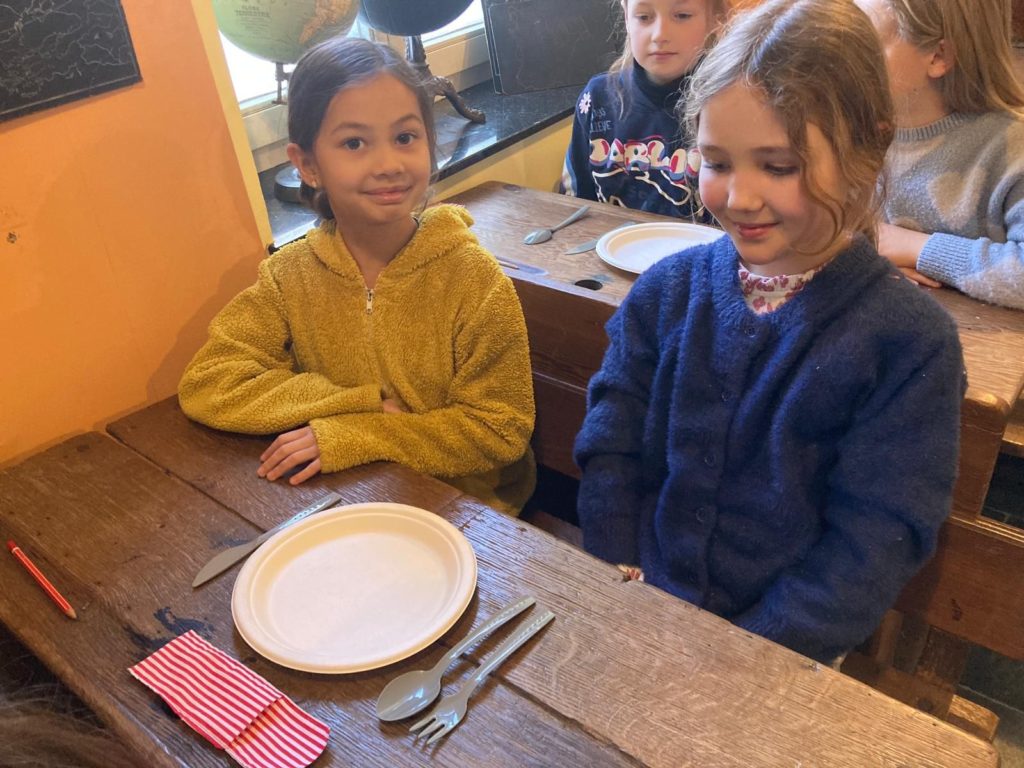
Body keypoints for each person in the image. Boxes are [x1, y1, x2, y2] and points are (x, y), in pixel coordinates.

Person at [574, 0, 966, 664]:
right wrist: (615, 566)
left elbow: (873, 542)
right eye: (716, 162)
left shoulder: (908, 343)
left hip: (780, 655)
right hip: (637, 607)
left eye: (779, 166)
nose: (740, 197)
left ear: (867, 150)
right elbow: (611, 438)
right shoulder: (665, 292)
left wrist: (741, 654)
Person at [178, 38, 535, 515]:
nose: (388, 165)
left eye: (405, 137)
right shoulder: (290, 276)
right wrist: (355, 403)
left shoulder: (475, 280)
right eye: (354, 143)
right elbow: (208, 381)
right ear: (308, 166)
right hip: (349, 496)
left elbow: (499, 431)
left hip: (467, 510)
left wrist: (363, 433)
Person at [856, 0, 1024, 310]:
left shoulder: (1012, 151)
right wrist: (858, 252)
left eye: (866, 44)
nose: (844, 59)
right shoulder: (846, 131)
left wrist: (915, 248)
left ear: (938, 56)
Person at [559, 0, 729, 220]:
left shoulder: (731, 104)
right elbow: (574, 202)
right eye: (644, 17)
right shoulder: (597, 98)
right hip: (609, 240)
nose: (660, 35)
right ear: (627, 17)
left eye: (682, 15)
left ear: (714, 20)